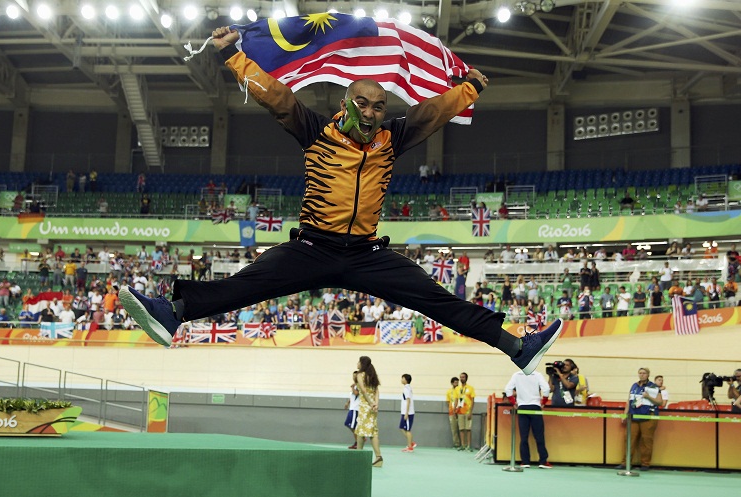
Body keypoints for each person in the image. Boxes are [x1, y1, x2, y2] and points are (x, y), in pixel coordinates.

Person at [119, 25, 561, 378]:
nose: (371, 113)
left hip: (368, 255)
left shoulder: (393, 138)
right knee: (248, 283)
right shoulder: (314, 130)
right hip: (311, 248)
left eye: (379, 107)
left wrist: (467, 91)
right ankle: (171, 313)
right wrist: (231, 56)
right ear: (347, 103)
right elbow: (276, 96)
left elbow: (429, 114)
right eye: (364, 104)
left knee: (437, 299)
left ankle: (517, 348)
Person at [616, 367, 663, 471]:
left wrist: (648, 397)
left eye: (644, 373)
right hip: (633, 416)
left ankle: (645, 464)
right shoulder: (634, 385)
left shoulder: (653, 386)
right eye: (640, 373)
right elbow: (629, 401)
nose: (642, 375)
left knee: (646, 441)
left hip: (648, 416)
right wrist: (625, 414)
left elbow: (660, 402)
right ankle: (626, 463)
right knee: (629, 440)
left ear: (648, 375)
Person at [505, 369, 552, 469]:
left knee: (524, 436)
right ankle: (543, 461)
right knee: (539, 436)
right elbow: (547, 389)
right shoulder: (537, 375)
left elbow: (508, 389)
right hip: (535, 406)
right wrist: (544, 401)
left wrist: (513, 402)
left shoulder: (516, 375)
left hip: (522, 407)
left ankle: (525, 461)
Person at [354, 356, 383, 467]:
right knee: (373, 432)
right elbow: (376, 391)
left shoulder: (360, 375)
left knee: (361, 430)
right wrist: (376, 404)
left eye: (358, 361)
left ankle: (359, 456)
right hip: (373, 408)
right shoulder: (372, 375)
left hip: (365, 406)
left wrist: (371, 403)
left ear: (362, 364)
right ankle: (378, 457)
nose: (357, 363)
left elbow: (363, 390)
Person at [455, 371, 476, 451]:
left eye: (463, 377)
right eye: (460, 377)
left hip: (467, 411)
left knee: (468, 429)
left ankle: (469, 445)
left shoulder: (470, 388)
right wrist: (455, 410)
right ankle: (463, 445)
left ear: (466, 378)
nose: (461, 378)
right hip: (460, 411)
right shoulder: (457, 389)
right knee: (461, 429)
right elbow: (456, 400)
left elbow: (473, 400)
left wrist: (471, 411)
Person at [343, 371, 362, 449]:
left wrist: (352, 388)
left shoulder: (359, 385)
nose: (354, 377)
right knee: (347, 423)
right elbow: (352, 396)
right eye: (353, 376)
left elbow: (357, 393)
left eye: (355, 376)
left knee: (353, 426)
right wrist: (347, 403)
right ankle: (358, 440)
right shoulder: (354, 385)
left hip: (356, 409)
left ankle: (359, 441)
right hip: (351, 408)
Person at [400, 374, 416, 453]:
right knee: (401, 428)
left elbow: (408, 400)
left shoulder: (407, 388)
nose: (401, 379)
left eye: (402, 378)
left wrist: (406, 413)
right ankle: (411, 443)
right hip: (404, 412)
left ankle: (410, 447)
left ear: (406, 379)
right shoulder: (407, 388)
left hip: (408, 413)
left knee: (407, 430)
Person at [446, 377, 461, 449]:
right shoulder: (449, 391)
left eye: (458, 382)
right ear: (452, 383)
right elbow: (448, 401)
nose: (457, 384)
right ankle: (456, 444)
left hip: (460, 411)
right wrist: (452, 409)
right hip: (452, 412)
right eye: (455, 382)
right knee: (454, 429)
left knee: (462, 428)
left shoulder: (461, 390)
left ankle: (464, 444)